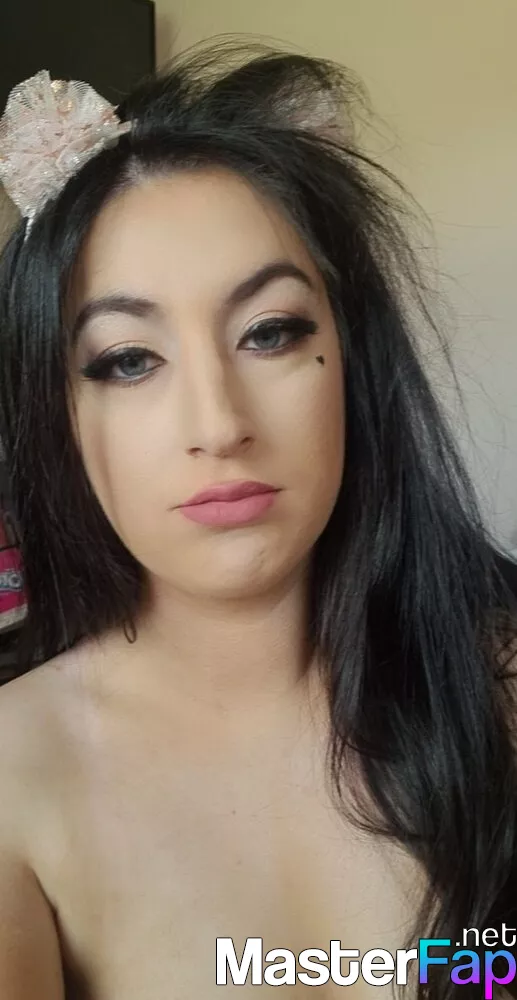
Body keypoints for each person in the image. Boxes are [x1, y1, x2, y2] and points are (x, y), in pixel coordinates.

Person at [0, 40, 515, 1000]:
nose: (219, 425)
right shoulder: (15, 780)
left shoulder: (493, 688)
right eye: (127, 360)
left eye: (269, 333)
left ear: (351, 362)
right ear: (55, 409)